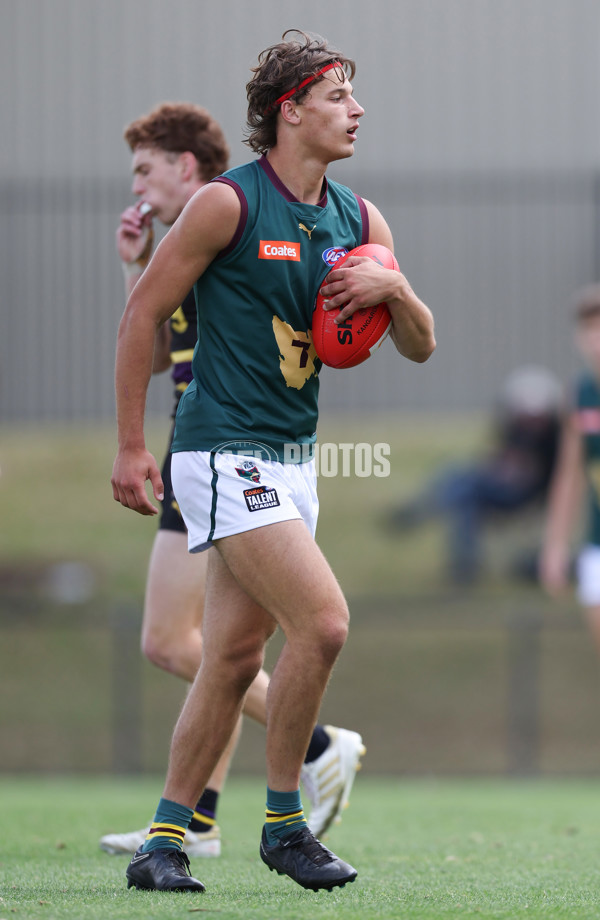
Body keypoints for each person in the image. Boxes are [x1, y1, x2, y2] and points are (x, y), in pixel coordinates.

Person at [111, 30, 435, 894]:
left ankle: (163, 843)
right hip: (221, 451)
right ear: (289, 112)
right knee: (323, 625)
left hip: (294, 461)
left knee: (225, 661)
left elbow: (420, 347)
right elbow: (142, 315)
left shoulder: (360, 221)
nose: (356, 110)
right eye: (337, 98)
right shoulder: (227, 204)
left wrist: (394, 289)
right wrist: (133, 444)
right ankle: (286, 825)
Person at [101, 101, 367, 859]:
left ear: (187, 168)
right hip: (211, 454)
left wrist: (392, 295)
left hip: (237, 451)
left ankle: (297, 759)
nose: (138, 186)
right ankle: (199, 820)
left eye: (145, 170)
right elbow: (152, 344)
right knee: (212, 648)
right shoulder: (206, 232)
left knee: (202, 646)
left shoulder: (241, 216)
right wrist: (133, 263)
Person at [387, 365, 563, 583]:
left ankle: (423, 510)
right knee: (463, 489)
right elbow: (502, 460)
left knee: (465, 485)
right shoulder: (515, 431)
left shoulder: (554, 441)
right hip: (500, 486)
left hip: (522, 494)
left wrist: (511, 470)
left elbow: (536, 476)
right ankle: (464, 564)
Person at [540, 284, 600, 655]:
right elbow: (569, 474)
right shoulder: (579, 393)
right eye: (588, 329)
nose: (595, 339)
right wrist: (556, 545)